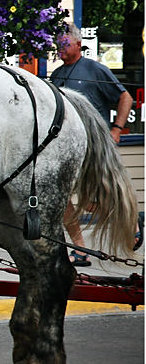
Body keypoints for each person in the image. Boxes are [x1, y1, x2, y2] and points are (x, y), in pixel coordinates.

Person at [50, 22, 134, 266]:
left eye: (64, 43)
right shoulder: (56, 75)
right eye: (58, 44)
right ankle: (80, 248)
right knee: (64, 197)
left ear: (78, 44)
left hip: (94, 147)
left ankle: (131, 224)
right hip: (67, 147)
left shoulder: (94, 69)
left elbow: (125, 96)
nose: (60, 48)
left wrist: (116, 130)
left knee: (96, 199)